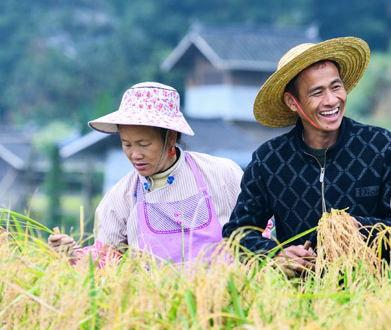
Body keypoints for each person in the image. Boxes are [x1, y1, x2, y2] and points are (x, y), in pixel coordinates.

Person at [222, 37, 391, 277]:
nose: (331, 101)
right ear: (292, 101)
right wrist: (275, 254)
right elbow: (238, 232)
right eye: (317, 92)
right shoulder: (269, 160)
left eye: (336, 87)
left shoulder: (381, 147)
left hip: (375, 299)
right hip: (300, 300)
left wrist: (359, 228)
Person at [48, 82, 245, 265]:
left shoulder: (221, 174)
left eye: (144, 145)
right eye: (126, 144)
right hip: (152, 301)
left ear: (171, 138)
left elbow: (254, 234)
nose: (134, 155)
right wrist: (72, 255)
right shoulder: (121, 196)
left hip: (223, 297)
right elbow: (106, 259)